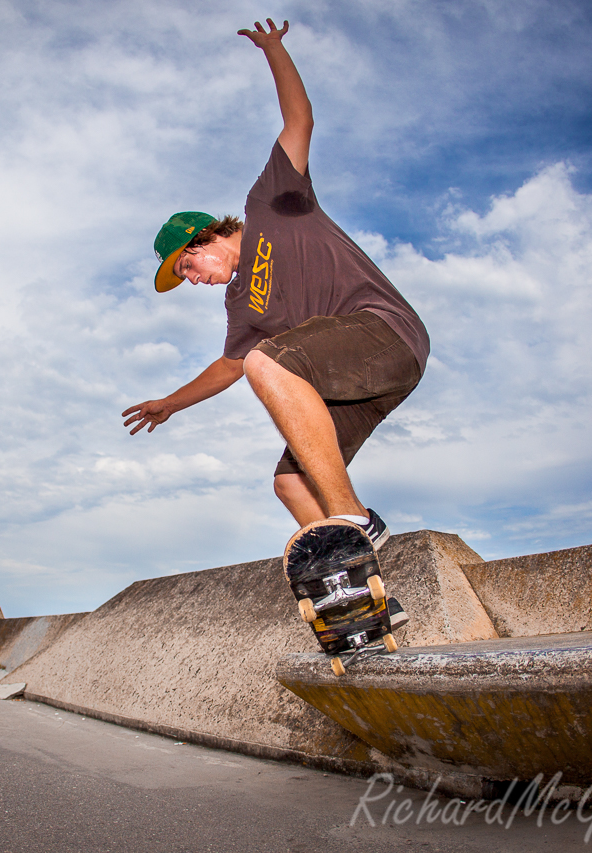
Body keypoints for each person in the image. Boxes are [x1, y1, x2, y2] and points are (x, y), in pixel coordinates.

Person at [122, 20, 429, 617]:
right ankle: (360, 590)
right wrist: (170, 403)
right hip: (353, 386)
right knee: (289, 480)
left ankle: (354, 523)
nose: (193, 280)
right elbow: (231, 365)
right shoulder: (242, 305)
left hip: (384, 333)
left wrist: (275, 50)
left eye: (188, 267)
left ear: (204, 239)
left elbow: (299, 123)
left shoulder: (270, 206)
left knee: (273, 360)